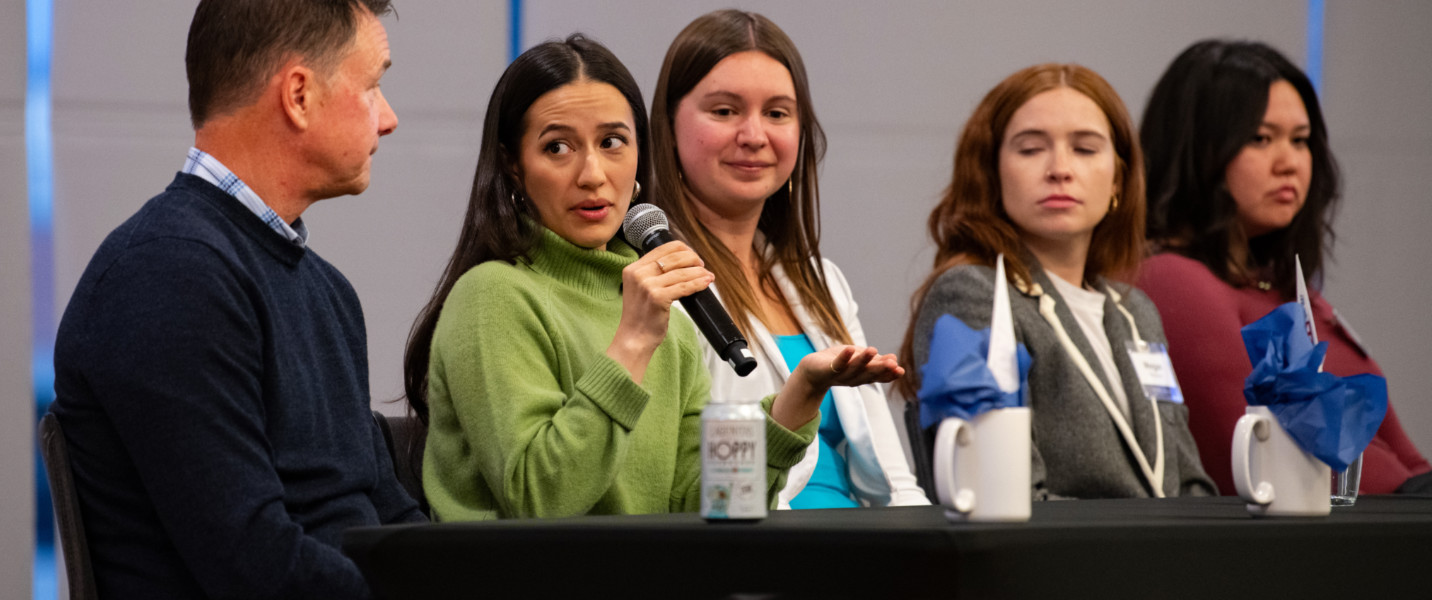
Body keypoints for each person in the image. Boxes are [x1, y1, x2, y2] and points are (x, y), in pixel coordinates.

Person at [402, 35, 903, 521]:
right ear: (514, 166)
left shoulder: (670, 318)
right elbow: (542, 501)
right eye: (557, 147)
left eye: (613, 142)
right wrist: (633, 341)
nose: (593, 173)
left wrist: (800, 396)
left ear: (640, 155)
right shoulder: (493, 296)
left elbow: (702, 504)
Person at [49, 1, 422, 598]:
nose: (389, 118)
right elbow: (251, 565)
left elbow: (394, 521)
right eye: (374, 86)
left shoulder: (327, 291)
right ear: (298, 95)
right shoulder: (165, 275)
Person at [648, 9, 927, 509]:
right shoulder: (654, 280)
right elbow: (695, 491)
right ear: (668, 127)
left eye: (777, 113)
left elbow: (893, 478)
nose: (754, 135)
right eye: (725, 111)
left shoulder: (820, 278)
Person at [900, 64, 1216, 500]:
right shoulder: (973, 295)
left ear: (1118, 182)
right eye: (1031, 149)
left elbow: (1188, 480)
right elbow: (999, 498)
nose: (1060, 169)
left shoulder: (1136, 311)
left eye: (1085, 149)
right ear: (992, 174)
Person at [1137, 40, 1431, 495]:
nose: (1289, 163)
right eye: (1260, 138)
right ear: (1196, 149)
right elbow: (1264, 451)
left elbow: (1403, 455)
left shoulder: (1280, 285)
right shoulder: (1174, 280)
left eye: (1300, 140)